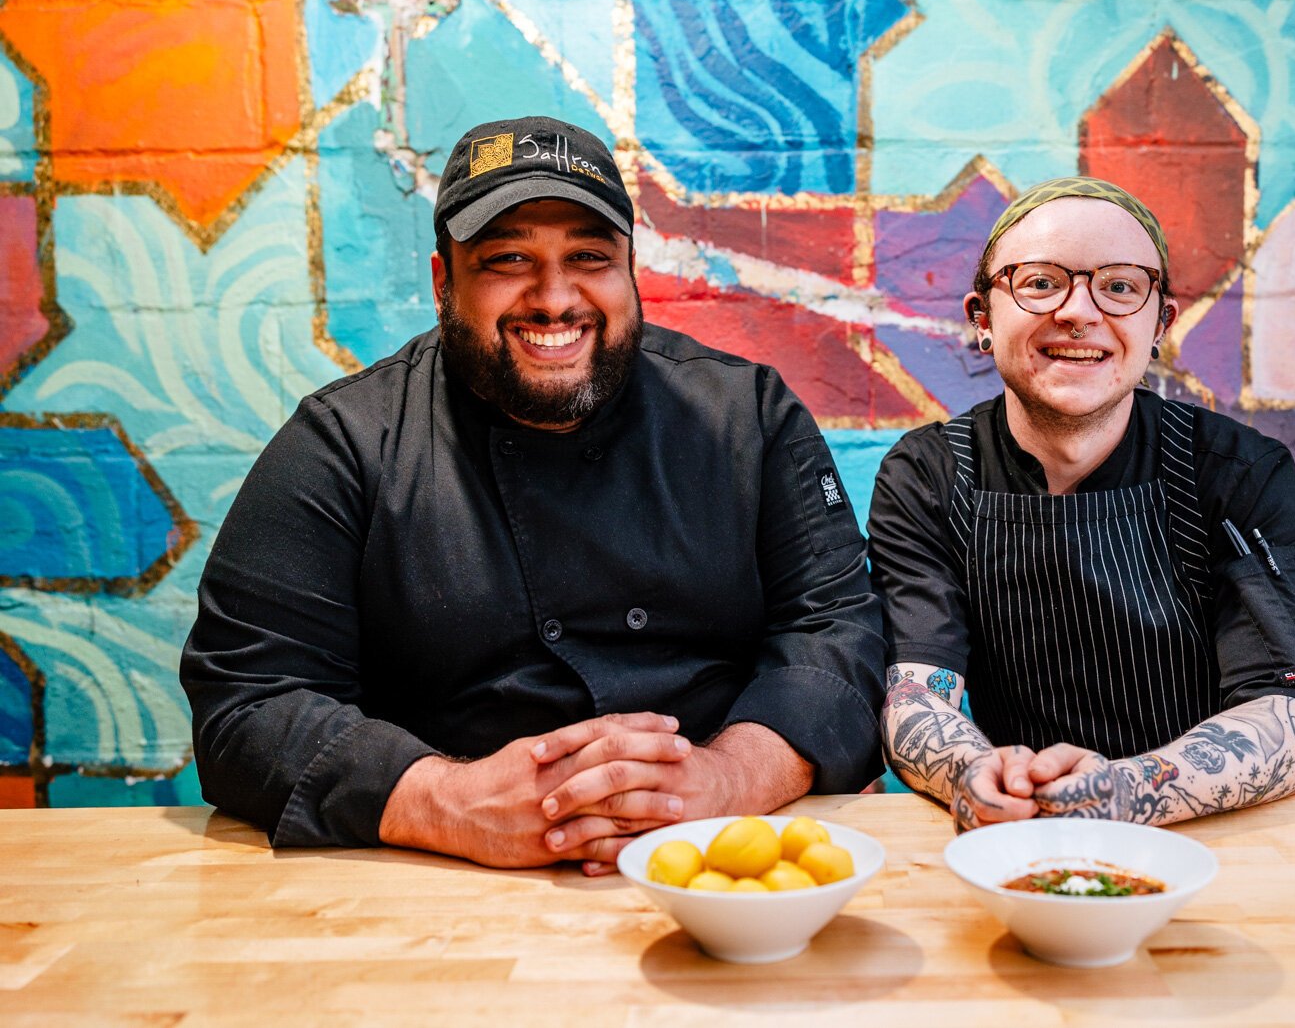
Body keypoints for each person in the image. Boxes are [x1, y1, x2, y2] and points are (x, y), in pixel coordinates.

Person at [180, 115, 885, 872]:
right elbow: (247, 700)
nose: (554, 299)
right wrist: (443, 802)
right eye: (508, 259)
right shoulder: (343, 444)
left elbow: (841, 631)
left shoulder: (748, 418)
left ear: (630, 271)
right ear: (442, 280)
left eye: (589, 256)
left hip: (721, 865)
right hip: (441, 883)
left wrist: (727, 778)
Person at [867, 177, 1295, 831]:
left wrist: (1125, 789)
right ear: (983, 318)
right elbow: (916, 692)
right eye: (1039, 282)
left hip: (1221, 838)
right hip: (1020, 837)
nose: (1078, 312)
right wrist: (975, 775)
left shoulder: (1237, 472)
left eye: (1120, 287)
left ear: (1160, 324)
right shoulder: (928, 475)